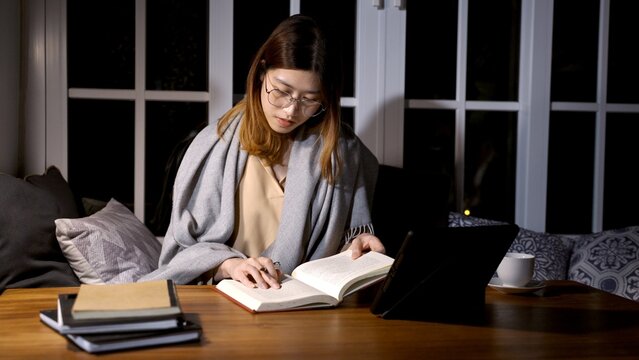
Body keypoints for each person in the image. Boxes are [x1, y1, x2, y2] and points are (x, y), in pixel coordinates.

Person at [139, 14, 384, 289]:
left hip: (304, 302)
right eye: (281, 91)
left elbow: (342, 243)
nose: (291, 110)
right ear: (260, 74)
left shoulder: (342, 152)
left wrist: (356, 248)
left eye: (310, 100)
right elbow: (182, 252)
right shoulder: (214, 146)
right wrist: (229, 265)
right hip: (225, 298)